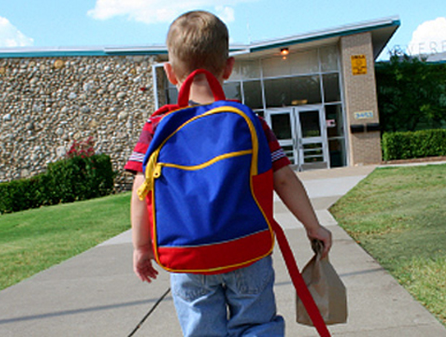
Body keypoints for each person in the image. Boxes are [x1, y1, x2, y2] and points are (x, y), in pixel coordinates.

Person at [124, 10, 332, 336]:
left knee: (202, 330)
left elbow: (141, 190)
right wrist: (313, 225)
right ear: (229, 67)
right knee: (257, 325)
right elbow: (284, 178)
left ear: (169, 73)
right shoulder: (250, 122)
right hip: (247, 249)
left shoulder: (156, 127)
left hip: (188, 255)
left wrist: (141, 247)